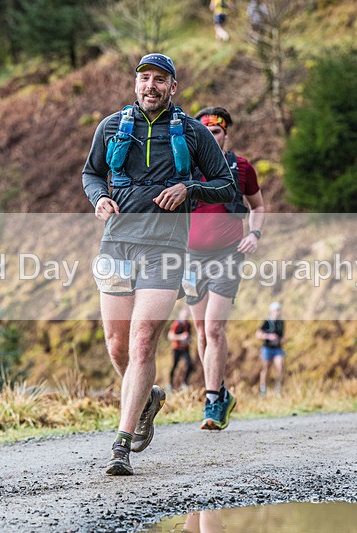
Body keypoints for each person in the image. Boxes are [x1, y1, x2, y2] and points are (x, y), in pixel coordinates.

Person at [82, 53, 236, 476]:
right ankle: (147, 397)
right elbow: (91, 174)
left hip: (165, 249)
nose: (151, 85)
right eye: (145, 78)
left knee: (143, 339)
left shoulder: (192, 131)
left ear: (173, 87)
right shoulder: (111, 126)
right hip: (117, 244)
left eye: (160, 79)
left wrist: (189, 189)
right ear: (136, 84)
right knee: (117, 346)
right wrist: (99, 198)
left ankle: (121, 443)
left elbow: (225, 185)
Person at [187, 106, 265, 430]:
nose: (211, 136)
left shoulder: (241, 167)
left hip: (228, 256)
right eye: (204, 131)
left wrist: (254, 234)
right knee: (201, 331)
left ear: (225, 135)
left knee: (214, 328)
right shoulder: (184, 168)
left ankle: (212, 402)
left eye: (216, 131)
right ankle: (220, 391)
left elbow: (257, 206)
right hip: (189, 258)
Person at [256, 301, 285, 397]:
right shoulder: (267, 322)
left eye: (279, 310)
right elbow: (258, 334)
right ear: (272, 311)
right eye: (276, 310)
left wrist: (282, 339)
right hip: (267, 348)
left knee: (280, 367)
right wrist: (268, 336)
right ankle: (263, 389)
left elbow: (281, 336)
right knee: (266, 369)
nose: (278, 312)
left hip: (277, 348)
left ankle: (278, 389)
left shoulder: (281, 322)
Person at [167, 308, 193, 391]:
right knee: (175, 366)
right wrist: (180, 337)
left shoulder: (188, 324)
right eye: (184, 315)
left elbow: (189, 335)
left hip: (185, 348)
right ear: (180, 315)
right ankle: (170, 384)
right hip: (177, 348)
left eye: (187, 315)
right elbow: (170, 336)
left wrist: (189, 339)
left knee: (190, 364)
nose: (186, 317)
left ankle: (184, 383)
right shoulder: (176, 324)